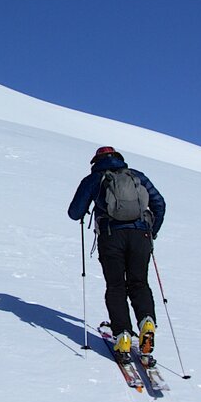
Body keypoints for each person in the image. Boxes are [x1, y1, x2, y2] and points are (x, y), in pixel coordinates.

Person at [68, 146, 166, 361]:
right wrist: (152, 231)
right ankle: (146, 322)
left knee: (116, 286)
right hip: (141, 237)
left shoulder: (95, 179)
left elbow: (74, 212)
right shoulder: (137, 176)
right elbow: (159, 203)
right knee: (139, 283)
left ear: (96, 161)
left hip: (111, 237)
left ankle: (122, 334)